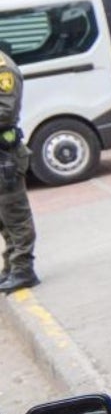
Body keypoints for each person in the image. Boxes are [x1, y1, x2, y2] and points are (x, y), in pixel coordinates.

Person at [0, 47, 38, 295]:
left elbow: (5, 111)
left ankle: (24, 270)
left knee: (15, 214)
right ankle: (12, 266)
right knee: (4, 216)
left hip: (6, 156)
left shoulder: (3, 69)